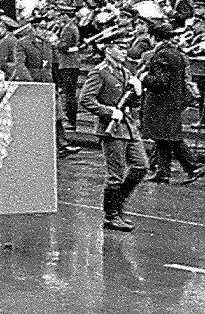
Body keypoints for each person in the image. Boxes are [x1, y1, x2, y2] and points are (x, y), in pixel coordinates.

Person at [79, 33, 148, 231]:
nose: (124, 51)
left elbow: (133, 103)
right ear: (108, 50)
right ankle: (111, 216)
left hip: (127, 126)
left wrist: (137, 91)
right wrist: (109, 112)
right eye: (119, 48)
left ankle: (118, 204)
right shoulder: (100, 72)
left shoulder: (125, 72)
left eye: (125, 48)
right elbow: (86, 99)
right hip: (111, 129)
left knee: (141, 166)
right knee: (115, 174)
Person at [140, 19, 200, 184]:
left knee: (171, 138)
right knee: (163, 138)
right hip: (170, 101)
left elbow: (161, 82)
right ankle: (163, 171)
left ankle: (192, 167)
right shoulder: (176, 53)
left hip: (161, 103)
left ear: (154, 37)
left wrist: (144, 77)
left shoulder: (162, 55)